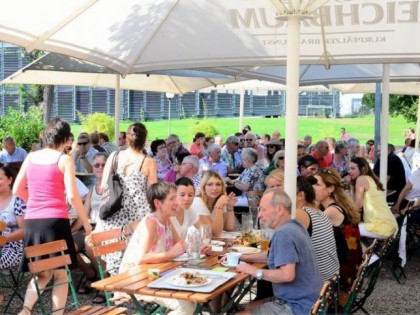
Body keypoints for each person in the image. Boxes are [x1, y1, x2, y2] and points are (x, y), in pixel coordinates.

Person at [13, 118, 92, 315]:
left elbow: (17, 189)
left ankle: (25, 310)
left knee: (43, 272)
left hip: (32, 221)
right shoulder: (64, 159)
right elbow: (73, 196)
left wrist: (35, 201)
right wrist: (85, 222)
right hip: (55, 220)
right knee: (61, 274)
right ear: (65, 139)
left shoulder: (31, 157)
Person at [235, 189, 322, 315]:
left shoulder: (283, 234)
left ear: (280, 209)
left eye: (263, 209)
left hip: (298, 306)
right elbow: (274, 255)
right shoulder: (295, 226)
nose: (259, 215)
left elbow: (287, 275)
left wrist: (252, 270)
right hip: (311, 301)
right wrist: (242, 257)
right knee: (250, 305)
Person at [118, 182, 196, 315]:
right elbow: (141, 259)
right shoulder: (151, 222)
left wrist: (197, 247)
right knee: (187, 306)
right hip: (137, 278)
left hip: (158, 275)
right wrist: (170, 254)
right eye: (172, 199)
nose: (177, 203)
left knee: (194, 298)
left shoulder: (167, 219)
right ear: (158, 203)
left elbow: (182, 245)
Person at [94, 122, 157, 275]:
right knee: (135, 256)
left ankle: (118, 289)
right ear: (144, 139)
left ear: (127, 139)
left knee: (115, 257)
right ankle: (132, 290)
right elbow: (152, 192)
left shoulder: (114, 157)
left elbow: (102, 188)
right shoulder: (148, 161)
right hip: (138, 216)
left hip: (114, 212)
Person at [313, 168, 362, 293]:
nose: (313, 188)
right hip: (350, 264)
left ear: (330, 189)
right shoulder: (337, 205)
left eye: (317, 184)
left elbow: (309, 234)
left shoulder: (331, 211)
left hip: (342, 273)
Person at [295, 175, 340, 283]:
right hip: (331, 282)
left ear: (300, 195)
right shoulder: (317, 211)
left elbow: (276, 252)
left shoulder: (300, 213)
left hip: (317, 285)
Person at [349, 157, 398, 239]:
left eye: (353, 168)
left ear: (363, 169)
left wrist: (351, 187)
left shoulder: (361, 179)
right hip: (388, 224)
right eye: (349, 168)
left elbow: (357, 206)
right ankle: (367, 251)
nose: (349, 171)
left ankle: (365, 251)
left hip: (380, 226)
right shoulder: (370, 178)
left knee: (348, 231)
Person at [191, 171, 236, 237]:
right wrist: (218, 206)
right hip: (195, 244)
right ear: (203, 187)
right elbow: (214, 234)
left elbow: (229, 228)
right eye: (210, 184)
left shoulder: (219, 200)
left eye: (218, 184)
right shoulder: (197, 202)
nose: (214, 188)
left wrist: (230, 207)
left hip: (211, 243)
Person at [0, 163, 26, 270]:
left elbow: (25, 231)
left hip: (14, 248)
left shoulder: (18, 202)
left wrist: (4, 239)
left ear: (10, 180)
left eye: (0, 178)